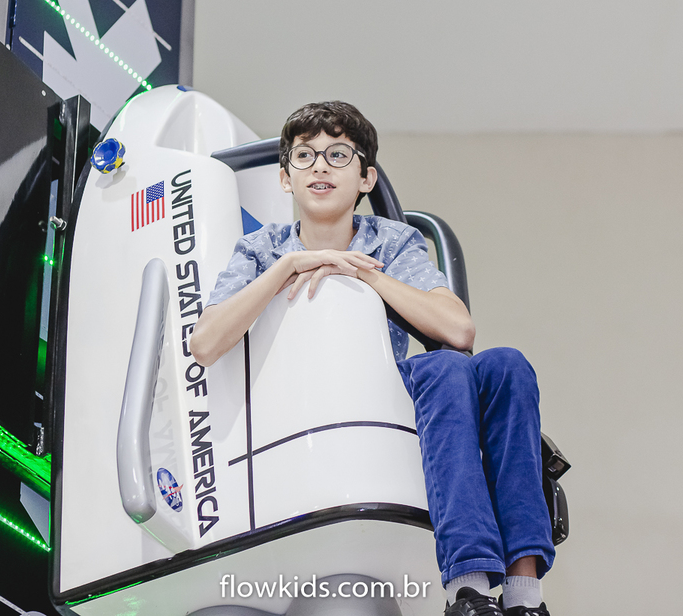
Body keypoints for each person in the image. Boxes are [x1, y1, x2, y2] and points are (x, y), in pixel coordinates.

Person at [189, 102, 554, 616]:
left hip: (379, 396)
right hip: (294, 403)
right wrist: (291, 266)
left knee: (504, 365)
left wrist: (360, 272)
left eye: (338, 154)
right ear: (285, 178)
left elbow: (458, 329)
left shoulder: (391, 241)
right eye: (304, 155)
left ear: (366, 177)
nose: (320, 166)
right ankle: (468, 584)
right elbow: (205, 343)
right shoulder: (262, 249)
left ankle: (523, 593)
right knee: (447, 367)